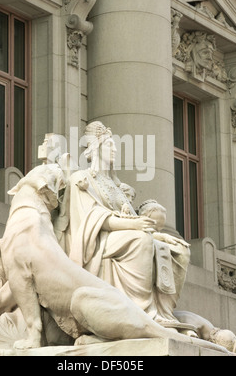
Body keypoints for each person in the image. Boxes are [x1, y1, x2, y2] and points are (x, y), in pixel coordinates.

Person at [55, 121, 191, 328]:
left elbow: (132, 218)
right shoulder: (81, 178)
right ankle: (144, 310)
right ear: (96, 148)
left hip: (121, 236)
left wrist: (156, 234)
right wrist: (136, 227)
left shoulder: (117, 186)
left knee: (179, 248)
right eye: (110, 145)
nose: (115, 149)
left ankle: (165, 313)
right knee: (141, 239)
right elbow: (93, 217)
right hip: (97, 240)